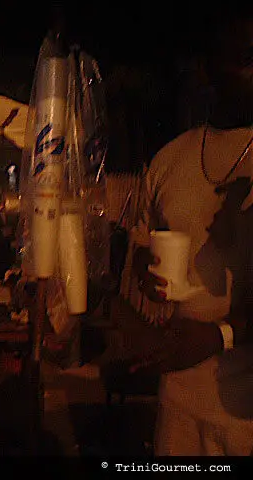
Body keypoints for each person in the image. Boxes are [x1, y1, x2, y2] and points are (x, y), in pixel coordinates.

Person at [123, 11, 253, 456]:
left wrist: (219, 336)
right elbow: (143, 247)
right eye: (244, 58)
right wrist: (146, 269)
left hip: (244, 408)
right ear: (207, 67)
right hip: (178, 395)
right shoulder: (169, 160)